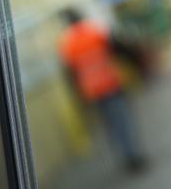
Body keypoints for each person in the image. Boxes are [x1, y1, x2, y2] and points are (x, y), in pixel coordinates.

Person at [59, 10, 147, 171]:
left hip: (93, 91)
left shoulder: (68, 44)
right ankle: (133, 154)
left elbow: (71, 74)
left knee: (111, 125)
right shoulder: (95, 31)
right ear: (80, 17)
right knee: (123, 120)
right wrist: (138, 66)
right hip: (110, 84)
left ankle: (125, 157)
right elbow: (119, 49)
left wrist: (79, 97)